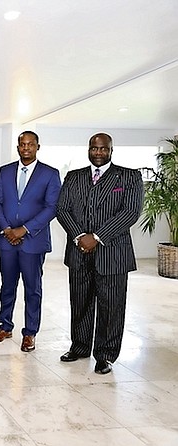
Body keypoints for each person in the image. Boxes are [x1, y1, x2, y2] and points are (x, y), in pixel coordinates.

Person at [56, 133, 143, 374]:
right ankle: (80, 346)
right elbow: (62, 209)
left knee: (111, 307)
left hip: (112, 254)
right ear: (88, 149)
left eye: (103, 149)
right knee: (80, 303)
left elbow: (130, 213)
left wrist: (95, 238)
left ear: (111, 150)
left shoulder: (129, 177)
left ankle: (105, 355)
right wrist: (79, 236)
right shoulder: (74, 177)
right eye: (94, 148)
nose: (98, 152)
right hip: (78, 252)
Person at [0, 131, 61, 352]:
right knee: (7, 285)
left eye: (31, 144)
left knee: (33, 288)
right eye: (22, 144)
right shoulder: (5, 171)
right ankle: (5, 325)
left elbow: (52, 207)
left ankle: (30, 332)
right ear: (18, 147)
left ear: (38, 147)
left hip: (33, 242)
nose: (26, 148)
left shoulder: (50, 174)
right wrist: (7, 229)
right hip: (6, 240)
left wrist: (25, 229)